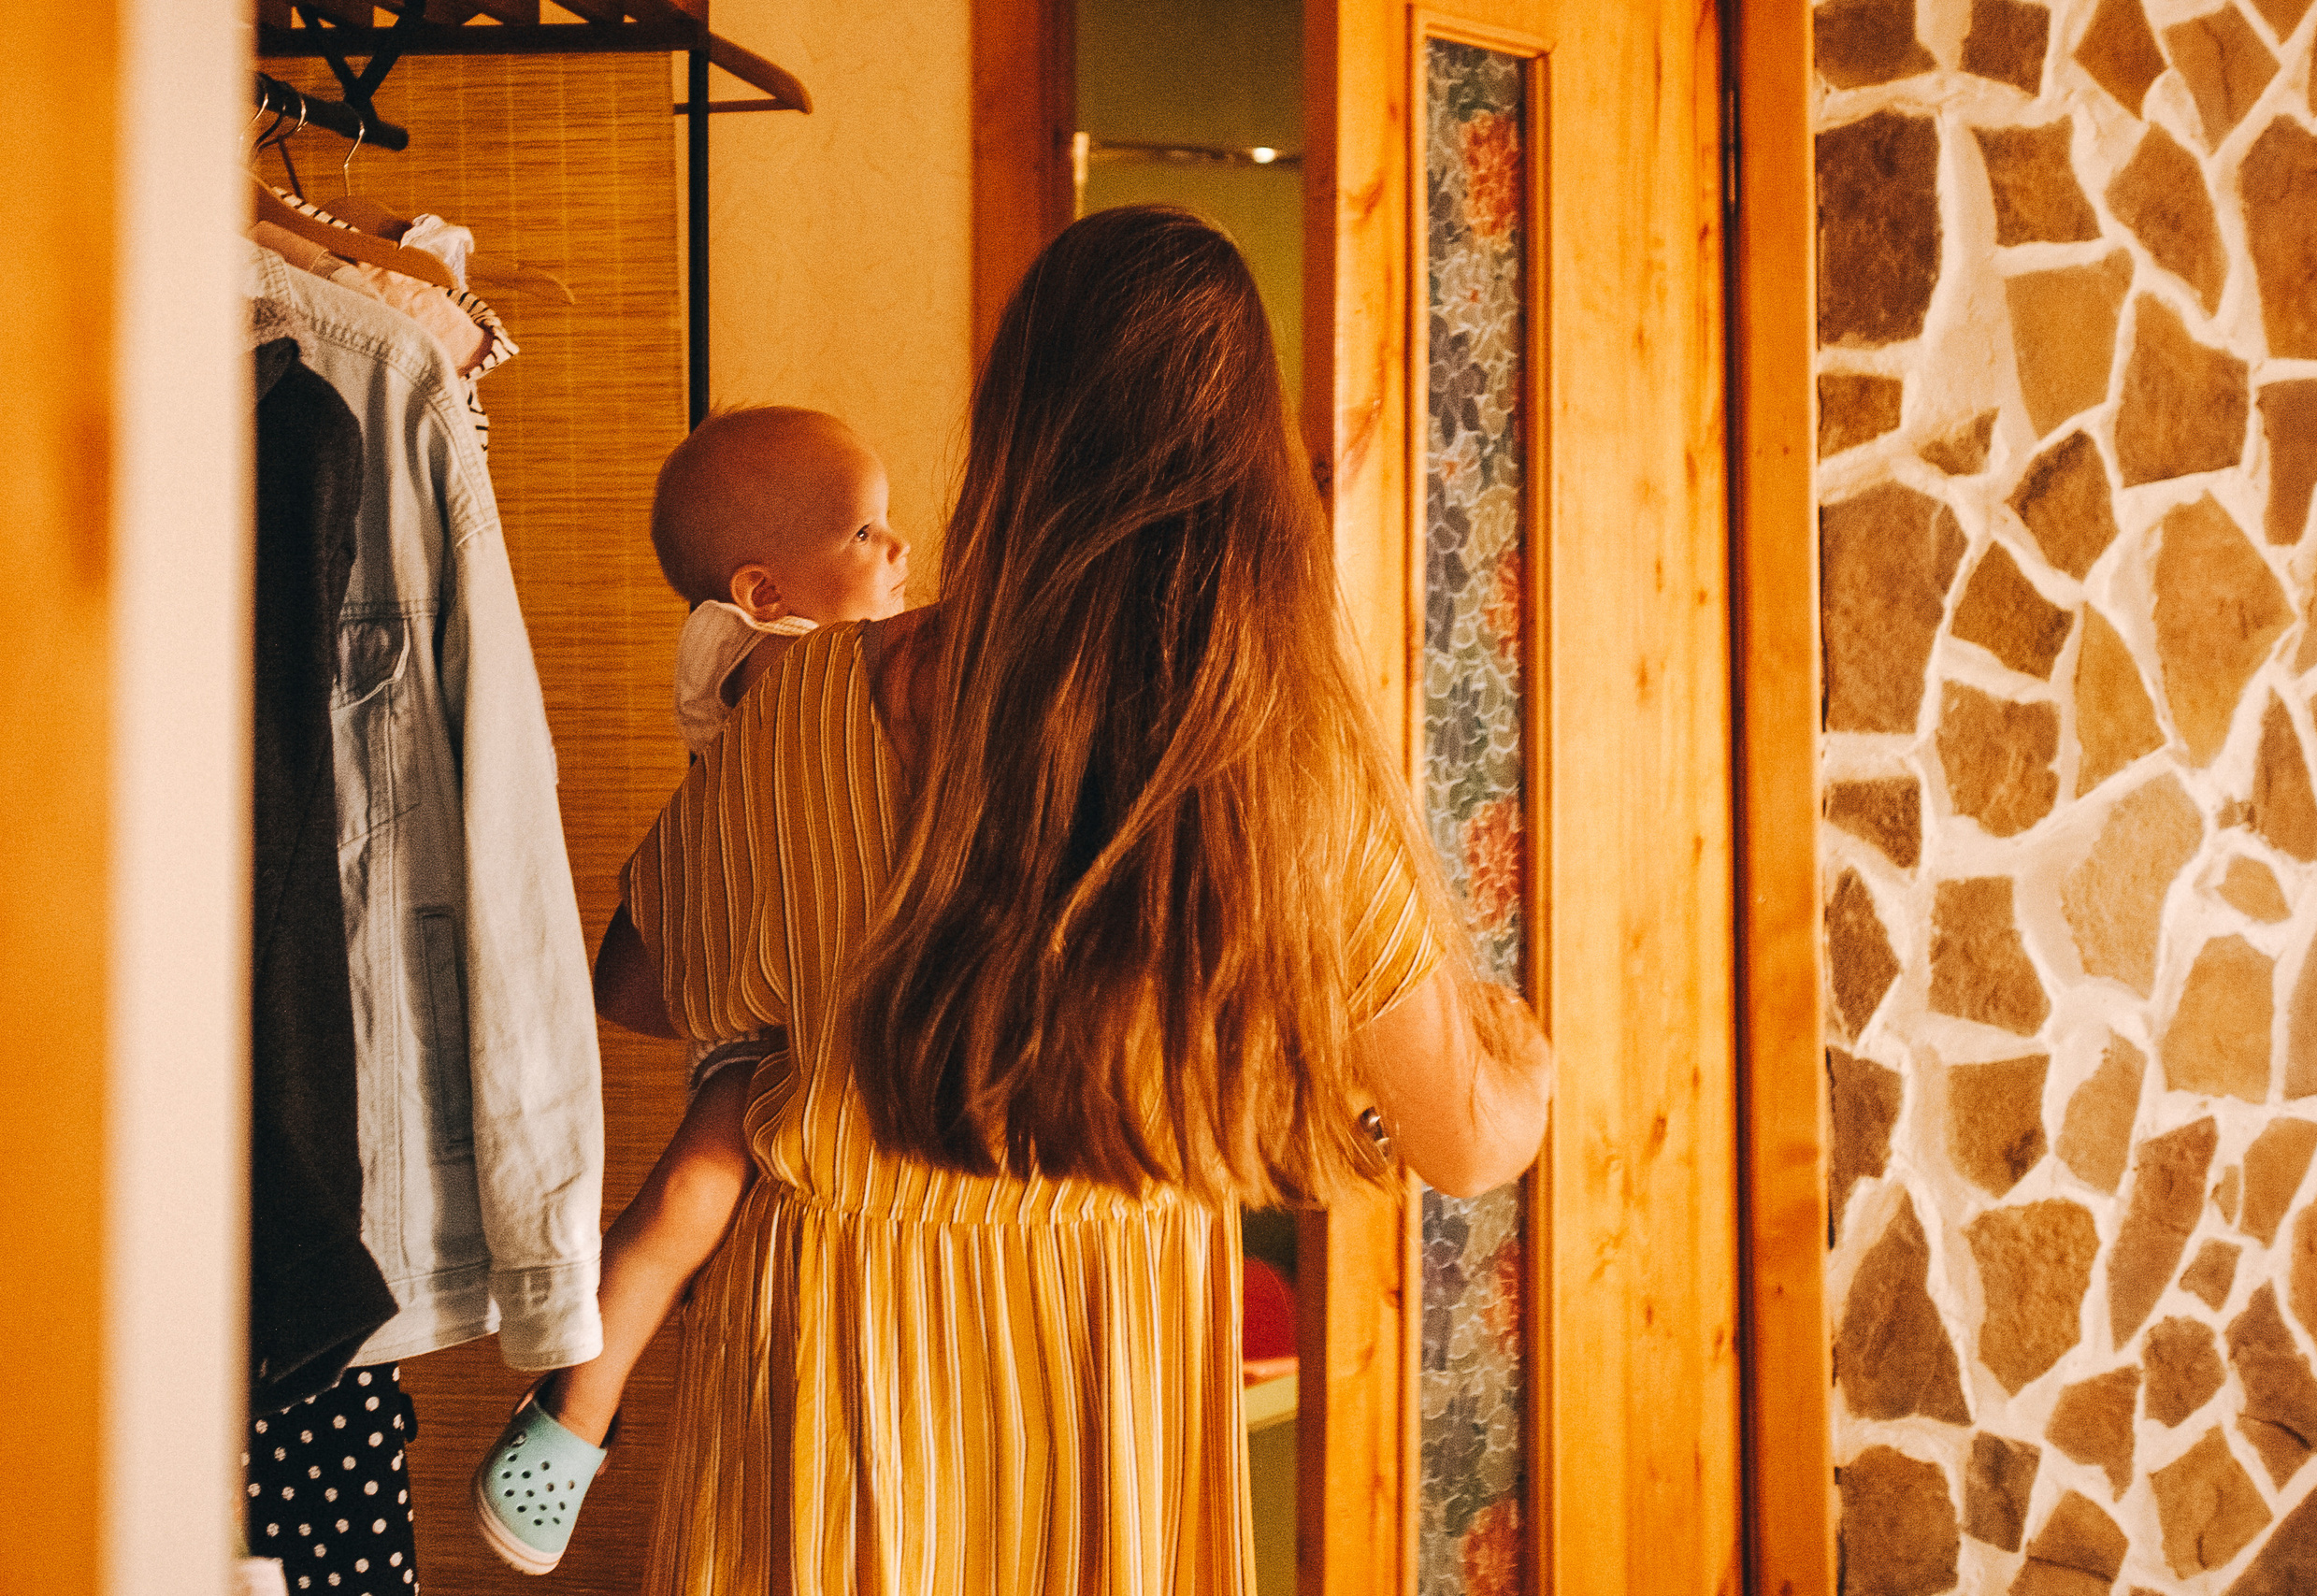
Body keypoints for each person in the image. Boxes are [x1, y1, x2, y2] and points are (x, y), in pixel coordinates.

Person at [629, 206, 1550, 1592]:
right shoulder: (1283, 758)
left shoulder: (811, 693)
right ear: (1246, 455)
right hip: (1104, 1357)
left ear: (1012, 431)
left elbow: (657, 982)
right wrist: (1523, 1053)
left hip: (830, 1348)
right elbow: (1469, 1139)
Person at [471, 406, 909, 1578]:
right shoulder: (744, 653)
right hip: (754, 1020)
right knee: (691, 1193)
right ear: (763, 591)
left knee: (715, 1198)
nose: (898, 552)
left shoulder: (816, 647)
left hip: (806, 1007)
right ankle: (574, 1415)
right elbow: (837, 700)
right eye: (868, 531)